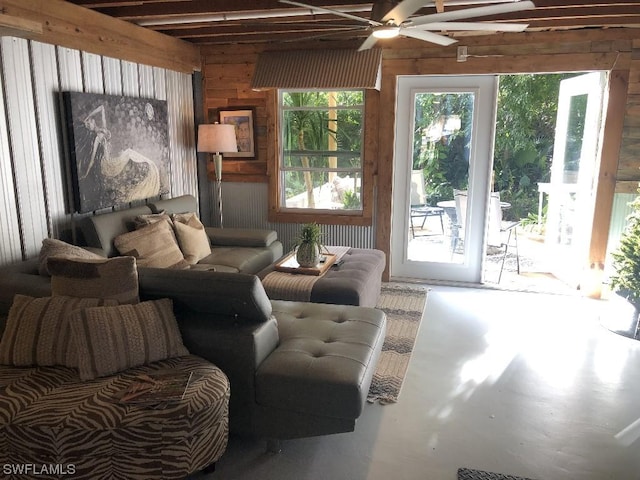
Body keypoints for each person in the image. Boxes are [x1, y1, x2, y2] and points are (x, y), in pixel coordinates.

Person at [80, 104, 160, 210]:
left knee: (129, 153)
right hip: (108, 162)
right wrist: (86, 173)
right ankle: (150, 167)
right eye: (87, 125)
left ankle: (151, 167)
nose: (89, 125)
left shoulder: (103, 129)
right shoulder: (97, 138)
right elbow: (92, 158)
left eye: (89, 122)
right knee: (128, 152)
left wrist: (87, 117)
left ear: (93, 121)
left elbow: (102, 108)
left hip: (112, 158)